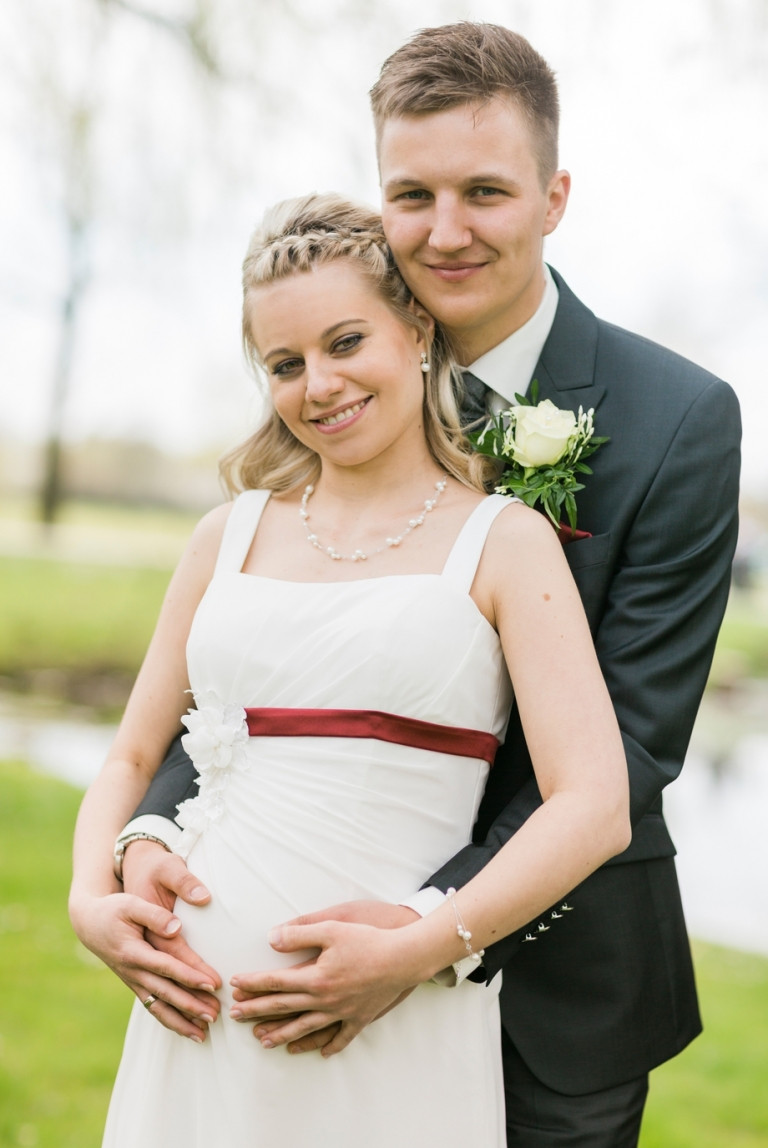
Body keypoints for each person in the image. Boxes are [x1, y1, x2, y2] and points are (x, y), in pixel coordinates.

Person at [73, 23, 741, 1148]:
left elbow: (624, 749)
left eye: (484, 190)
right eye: (411, 193)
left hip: (555, 993)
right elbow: (253, 684)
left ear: (553, 195)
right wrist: (146, 837)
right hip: (252, 992)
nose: (445, 230)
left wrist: (418, 934)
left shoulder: (678, 418)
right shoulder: (313, 439)